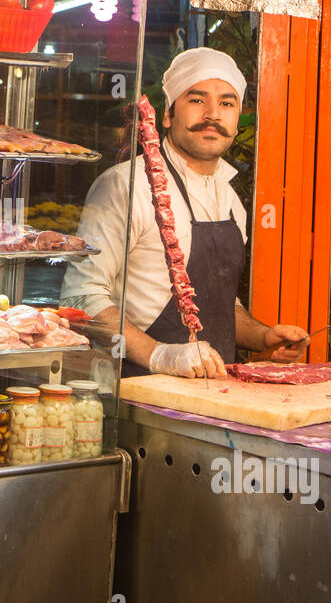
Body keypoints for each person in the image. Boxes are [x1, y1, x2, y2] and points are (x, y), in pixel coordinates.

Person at [60, 47, 309, 378]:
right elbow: (81, 298)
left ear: (237, 121)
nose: (212, 114)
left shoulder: (231, 200)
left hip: (214, 396)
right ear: (167, 115)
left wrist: (263, 335)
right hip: (136, 391)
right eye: (196, 100)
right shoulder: (125, 186)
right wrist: (159, 355)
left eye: (226, 103)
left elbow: (218, 304)